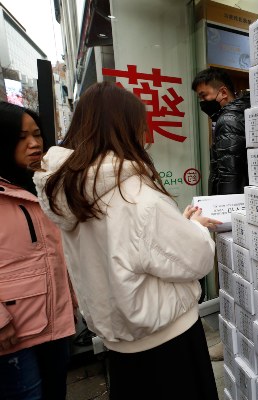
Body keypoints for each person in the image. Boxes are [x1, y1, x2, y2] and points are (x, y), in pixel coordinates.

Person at [34, 82, 221, 399]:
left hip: (119, 350)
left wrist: (180, 223)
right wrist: (197, 228)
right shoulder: (135, 197)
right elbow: (196, 259)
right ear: (125, 128)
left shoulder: (70, 192)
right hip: (168, 345)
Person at [0, 102, 76, 399]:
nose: (34, 144)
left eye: (37, 134)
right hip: (11, 334)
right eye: (21, 137)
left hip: (53, 321)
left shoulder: (42, 184)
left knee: (56, 391)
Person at [192, 67, 250, 195]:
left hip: (229, 203)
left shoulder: (228, 120)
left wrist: (224, 210)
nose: (202, 102)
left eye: (204, 95)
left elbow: (230, 174)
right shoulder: (241, 113)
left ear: (223, 92)